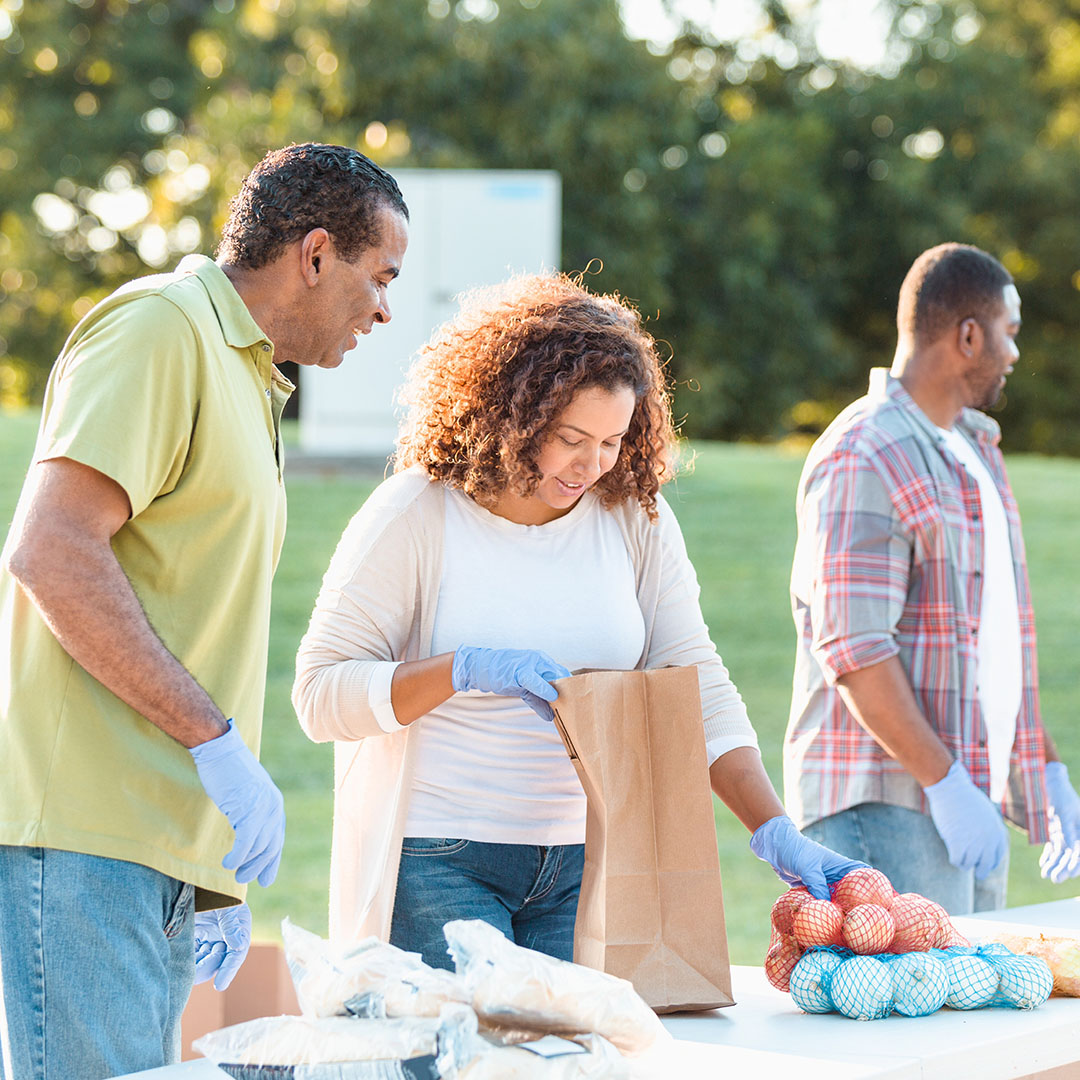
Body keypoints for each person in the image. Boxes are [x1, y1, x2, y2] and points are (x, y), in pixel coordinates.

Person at [292, 273, 861, 968]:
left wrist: (773, 828)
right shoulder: (417, 514)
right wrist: (460, 670)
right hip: (438, 863)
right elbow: (320, 696)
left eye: (613, 441)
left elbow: (695, 680)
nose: (591, 466)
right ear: (510, 413)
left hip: (589, 866)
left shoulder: (634, 515)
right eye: (569, 438)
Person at [0, 143, 409, 1079]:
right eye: (378, 277)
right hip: (87, 835)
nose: (386, 307)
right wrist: (218, 745)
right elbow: (52, 551)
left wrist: (211, 871)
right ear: (314, 254)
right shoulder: (160, 329)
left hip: (162, 848)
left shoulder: (246, 372)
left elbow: (186, 605)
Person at [784, 242, 1080, 915]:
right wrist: (945, 784)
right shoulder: (867, 450)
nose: (1015, 352)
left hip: (960, 803)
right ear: (968, 335)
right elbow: (854, 649)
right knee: (905, 1020)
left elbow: (989, 646)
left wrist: (1045, 770)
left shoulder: (973, 451)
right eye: (1010, 332)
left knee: (966, 1019)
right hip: (887, 808)